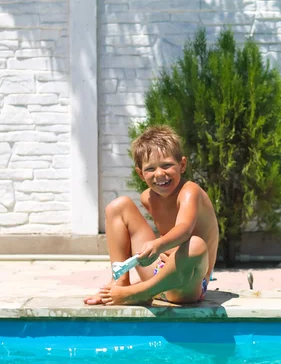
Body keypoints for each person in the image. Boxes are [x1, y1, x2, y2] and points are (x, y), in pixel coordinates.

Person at [84, 125, 219, 305]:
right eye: (150, 169)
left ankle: (138, 293)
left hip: (188, 282)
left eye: (167, 165)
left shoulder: (190, 192)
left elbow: (184, 230)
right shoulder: (148, 198)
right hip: (159, 273)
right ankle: (121, 282)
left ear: (182, 165)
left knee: (195, 245)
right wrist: (160, 251)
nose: (159, 174)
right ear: (140, 173)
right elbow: (167, 237)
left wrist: (159, 246)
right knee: (118, 206)